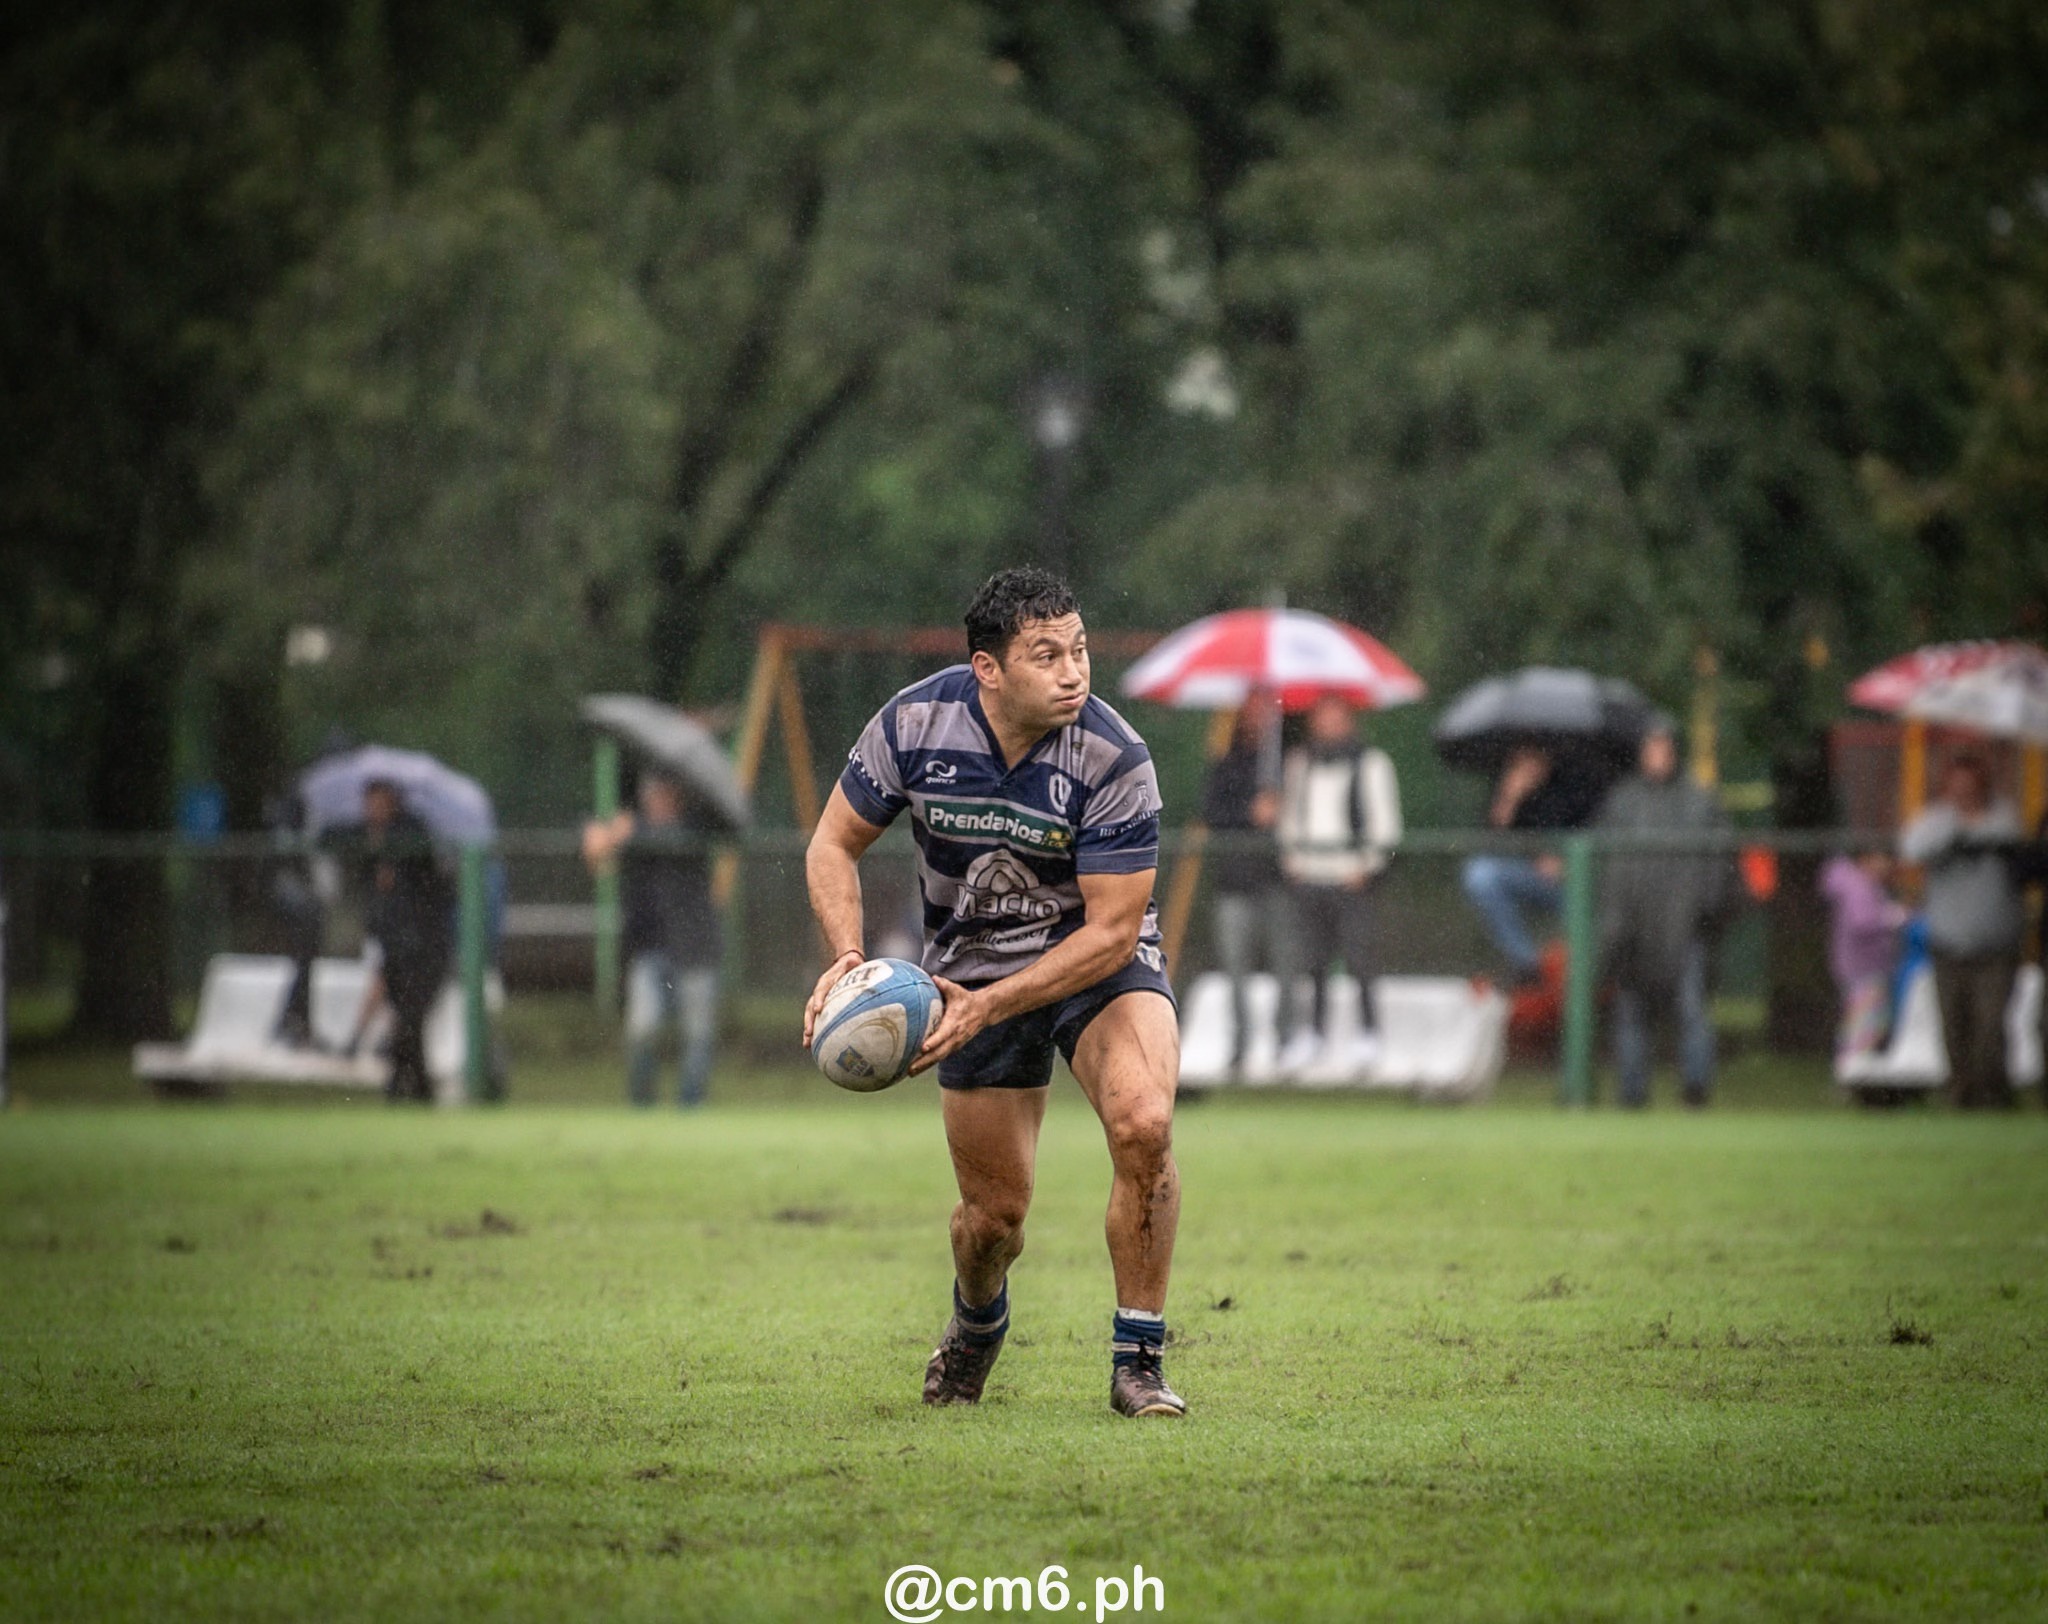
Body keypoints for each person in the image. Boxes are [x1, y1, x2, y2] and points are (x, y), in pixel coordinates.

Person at [802, 566, 1185, 1419]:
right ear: (989, 670)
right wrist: (848, 955)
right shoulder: (913, 724)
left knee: (1144, 1122)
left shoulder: (1114, 755)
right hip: (965, 969)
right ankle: (977, 1325)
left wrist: (992, 1004)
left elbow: (1114, 931)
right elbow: (832, 845)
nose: (1075, 672)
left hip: (1095, 963)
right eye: (1047, 655)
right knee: (993, 1221)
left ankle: (1139, 1361)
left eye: (1080, 650)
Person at [1596, 722, 1728, 1108]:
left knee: (1691, 1011)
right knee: (1631, 1014)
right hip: (1632, 931)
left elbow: (1718, 869)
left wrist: (1702, 913)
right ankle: (1632, 1096)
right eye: (1650, 747)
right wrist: (1615, 924)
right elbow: (1607, 869)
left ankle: (1696, 1091)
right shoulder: (1623, 802)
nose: (1657, 755)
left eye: (1663, 747)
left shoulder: (1699, 803)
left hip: (1684, 928)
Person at [1272, 695, 1402, 1078]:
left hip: (1351, 878)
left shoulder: (1372, 763)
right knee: (1311, 961)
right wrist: (1293, 863)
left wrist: (1367, 867)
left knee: (1360, 958)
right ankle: (1312, 1033)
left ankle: (1368, 1033)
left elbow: (1385, 822)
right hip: (1310, 876)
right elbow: (1291, 819)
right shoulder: (1301, 762)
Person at [583, 771, 723, 1108]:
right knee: (642, 1030)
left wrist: (621, 833)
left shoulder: (697, 826)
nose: (656, 800)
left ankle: (691, 1109)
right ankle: (642, 1107)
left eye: (663, 793)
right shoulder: (634, 831)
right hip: (649, 949)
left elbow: (727, 823)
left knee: (698, 1035)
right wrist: (605, 835)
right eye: (652, 794)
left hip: (695, 948)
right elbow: (596, 859)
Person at [1899, 754, 2023, 1109]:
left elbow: (2010, 837)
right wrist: (1956, 832)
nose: (1964, 791)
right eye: (1958, 784)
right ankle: (1961, 1095)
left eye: (1971, 784)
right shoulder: (1936, 820)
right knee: (1954, 1026)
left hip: (1995, 940)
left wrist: (1974, 834)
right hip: (1948, 939)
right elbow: (1914, 848)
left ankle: (1994, 1095)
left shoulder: (2003, 816)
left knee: (1991, 1025)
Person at [1461, 746, 1604, 987]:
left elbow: (1599, 833)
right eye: (1523, 759)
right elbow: (1491, 842)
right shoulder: (1508, 787)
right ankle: (1527, 965)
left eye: (1535, 757)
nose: (1530, 765)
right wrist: (1510, 797)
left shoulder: (1577, 785)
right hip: (1530, 877)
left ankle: (1583, 977)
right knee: (1480, 874)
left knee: (1583, 923)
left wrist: (1567, 862)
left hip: (1575, 883)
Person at [348, 780, 455, 1103]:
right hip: (394, 945)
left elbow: (430, 886)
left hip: (423, 947)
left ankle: (402, 1087)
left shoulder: (412, 834)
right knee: (405, 1020)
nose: (372, 810)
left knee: (410, 1017)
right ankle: (414, 1089)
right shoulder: (367, 839)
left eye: (378, 802)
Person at [1199, 697, 1281, 1081]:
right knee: (1236, 971)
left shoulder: (1287, 764)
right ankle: (1241, 1047)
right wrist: (1251, 811)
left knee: (1287, 967)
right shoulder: (1225, 764)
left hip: (1279, 884)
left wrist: (1277, 812)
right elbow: (1212, 814)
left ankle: (1285, 1046)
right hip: (1234, 883)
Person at [1819, 849, 1909, 1065]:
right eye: (1881, 859)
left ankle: (1854, 1074)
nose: (1886, 865)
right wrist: (1894, 916)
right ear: (1866, 860)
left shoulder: (1855, 884)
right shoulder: (1858, 886)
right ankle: (1856, 1075)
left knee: (1860, 1023)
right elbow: (1862, 922)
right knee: (1864, 1026)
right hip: (1864, 966)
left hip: (1856, 966)